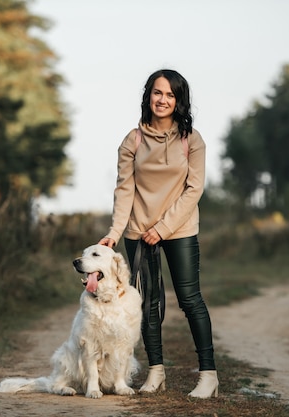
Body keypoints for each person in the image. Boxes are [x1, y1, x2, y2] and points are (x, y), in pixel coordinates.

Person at [98, 69, 218, 399]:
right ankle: (156, 372)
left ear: (179, 101)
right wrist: (115, 233)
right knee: (149, 303)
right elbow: (124, 190)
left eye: (170, 95)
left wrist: (163, 228)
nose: (162, 100)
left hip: (178, 229)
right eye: (157, 93)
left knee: (190, 300)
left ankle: (208, 375)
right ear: (148, 96)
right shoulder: (133, 140)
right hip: (138, 230)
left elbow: (194, 189)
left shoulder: (191, 140)